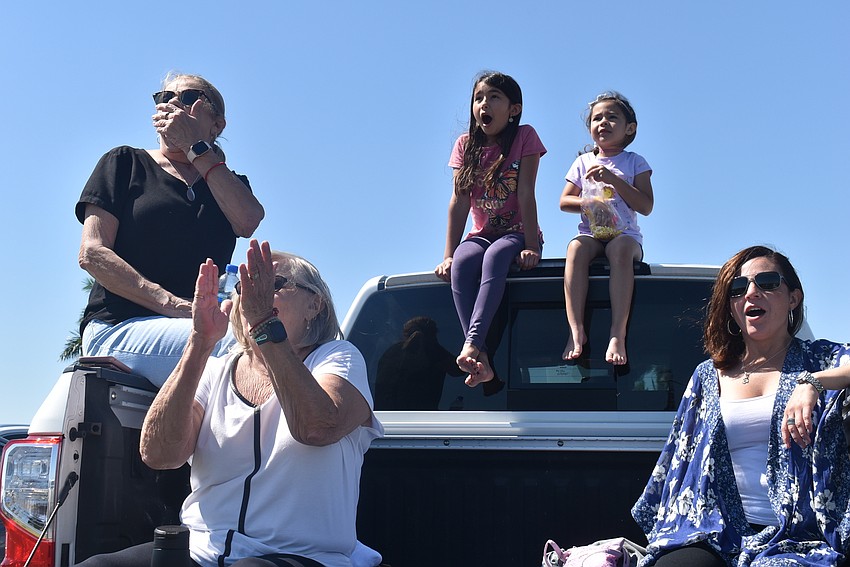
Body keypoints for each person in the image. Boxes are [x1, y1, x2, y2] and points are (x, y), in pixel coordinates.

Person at [75, 240, 384, 567]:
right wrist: (199, 342)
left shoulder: (338, 358)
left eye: (273, 285)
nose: (254, 294)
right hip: (199, 551)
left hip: (302, 556)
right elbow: (160, 454)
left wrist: (266, 324)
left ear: (315, 305)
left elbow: (317, 427)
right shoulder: (217, 368)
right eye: (244, 286)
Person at [632, 245, 850, 566]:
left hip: (796, 536)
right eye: (738, 287)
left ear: (793, 298)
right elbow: (679, 462)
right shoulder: (708, 376)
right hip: (716, 530)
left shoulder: (820, 360)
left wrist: (812, 383)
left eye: (767, 282)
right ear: (732, 307)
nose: (751, 292)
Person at [77, 72, 265, 387]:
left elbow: (247, 221)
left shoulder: (228, 185)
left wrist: (196, 149)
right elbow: (92, 253)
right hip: (119, 328)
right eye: (164, 98)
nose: (173, 103)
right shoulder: (124, 163)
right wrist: (172, 306)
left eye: (189, 98)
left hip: (198, 327)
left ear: (217, 124)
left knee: (280, 339)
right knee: (244, 345)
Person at [434, 71, 545, 387]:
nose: (484, 103)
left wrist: (532, 246)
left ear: (513, 109)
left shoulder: (525, 137)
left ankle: (471, 344)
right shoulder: (465, 145)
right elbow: (459, 202)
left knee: (496, 257)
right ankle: (480, 355)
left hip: (519, 232)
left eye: (494, 97)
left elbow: (526, 193)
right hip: (480, 234)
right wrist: (447, 255)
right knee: (465, 262)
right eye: (479, 98)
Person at [559, 91, 653, 365]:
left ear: (629, 128)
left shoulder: (635, 162)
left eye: (612, 117)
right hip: (592, 233)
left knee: (621, 250)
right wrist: (590, 203)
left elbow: (645, 205)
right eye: (597, 118)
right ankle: (576, 331)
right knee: (575, 248)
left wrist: (612, 179)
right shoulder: (583, 162)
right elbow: (564, 201)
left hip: (625, 235)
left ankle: (617, 333)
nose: (603, 123)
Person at [374, 316, 463, 410]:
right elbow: (459, 370)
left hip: (398, 416)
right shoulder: (395, 352)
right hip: (396, 413)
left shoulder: (434, 352)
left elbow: (458, 370)